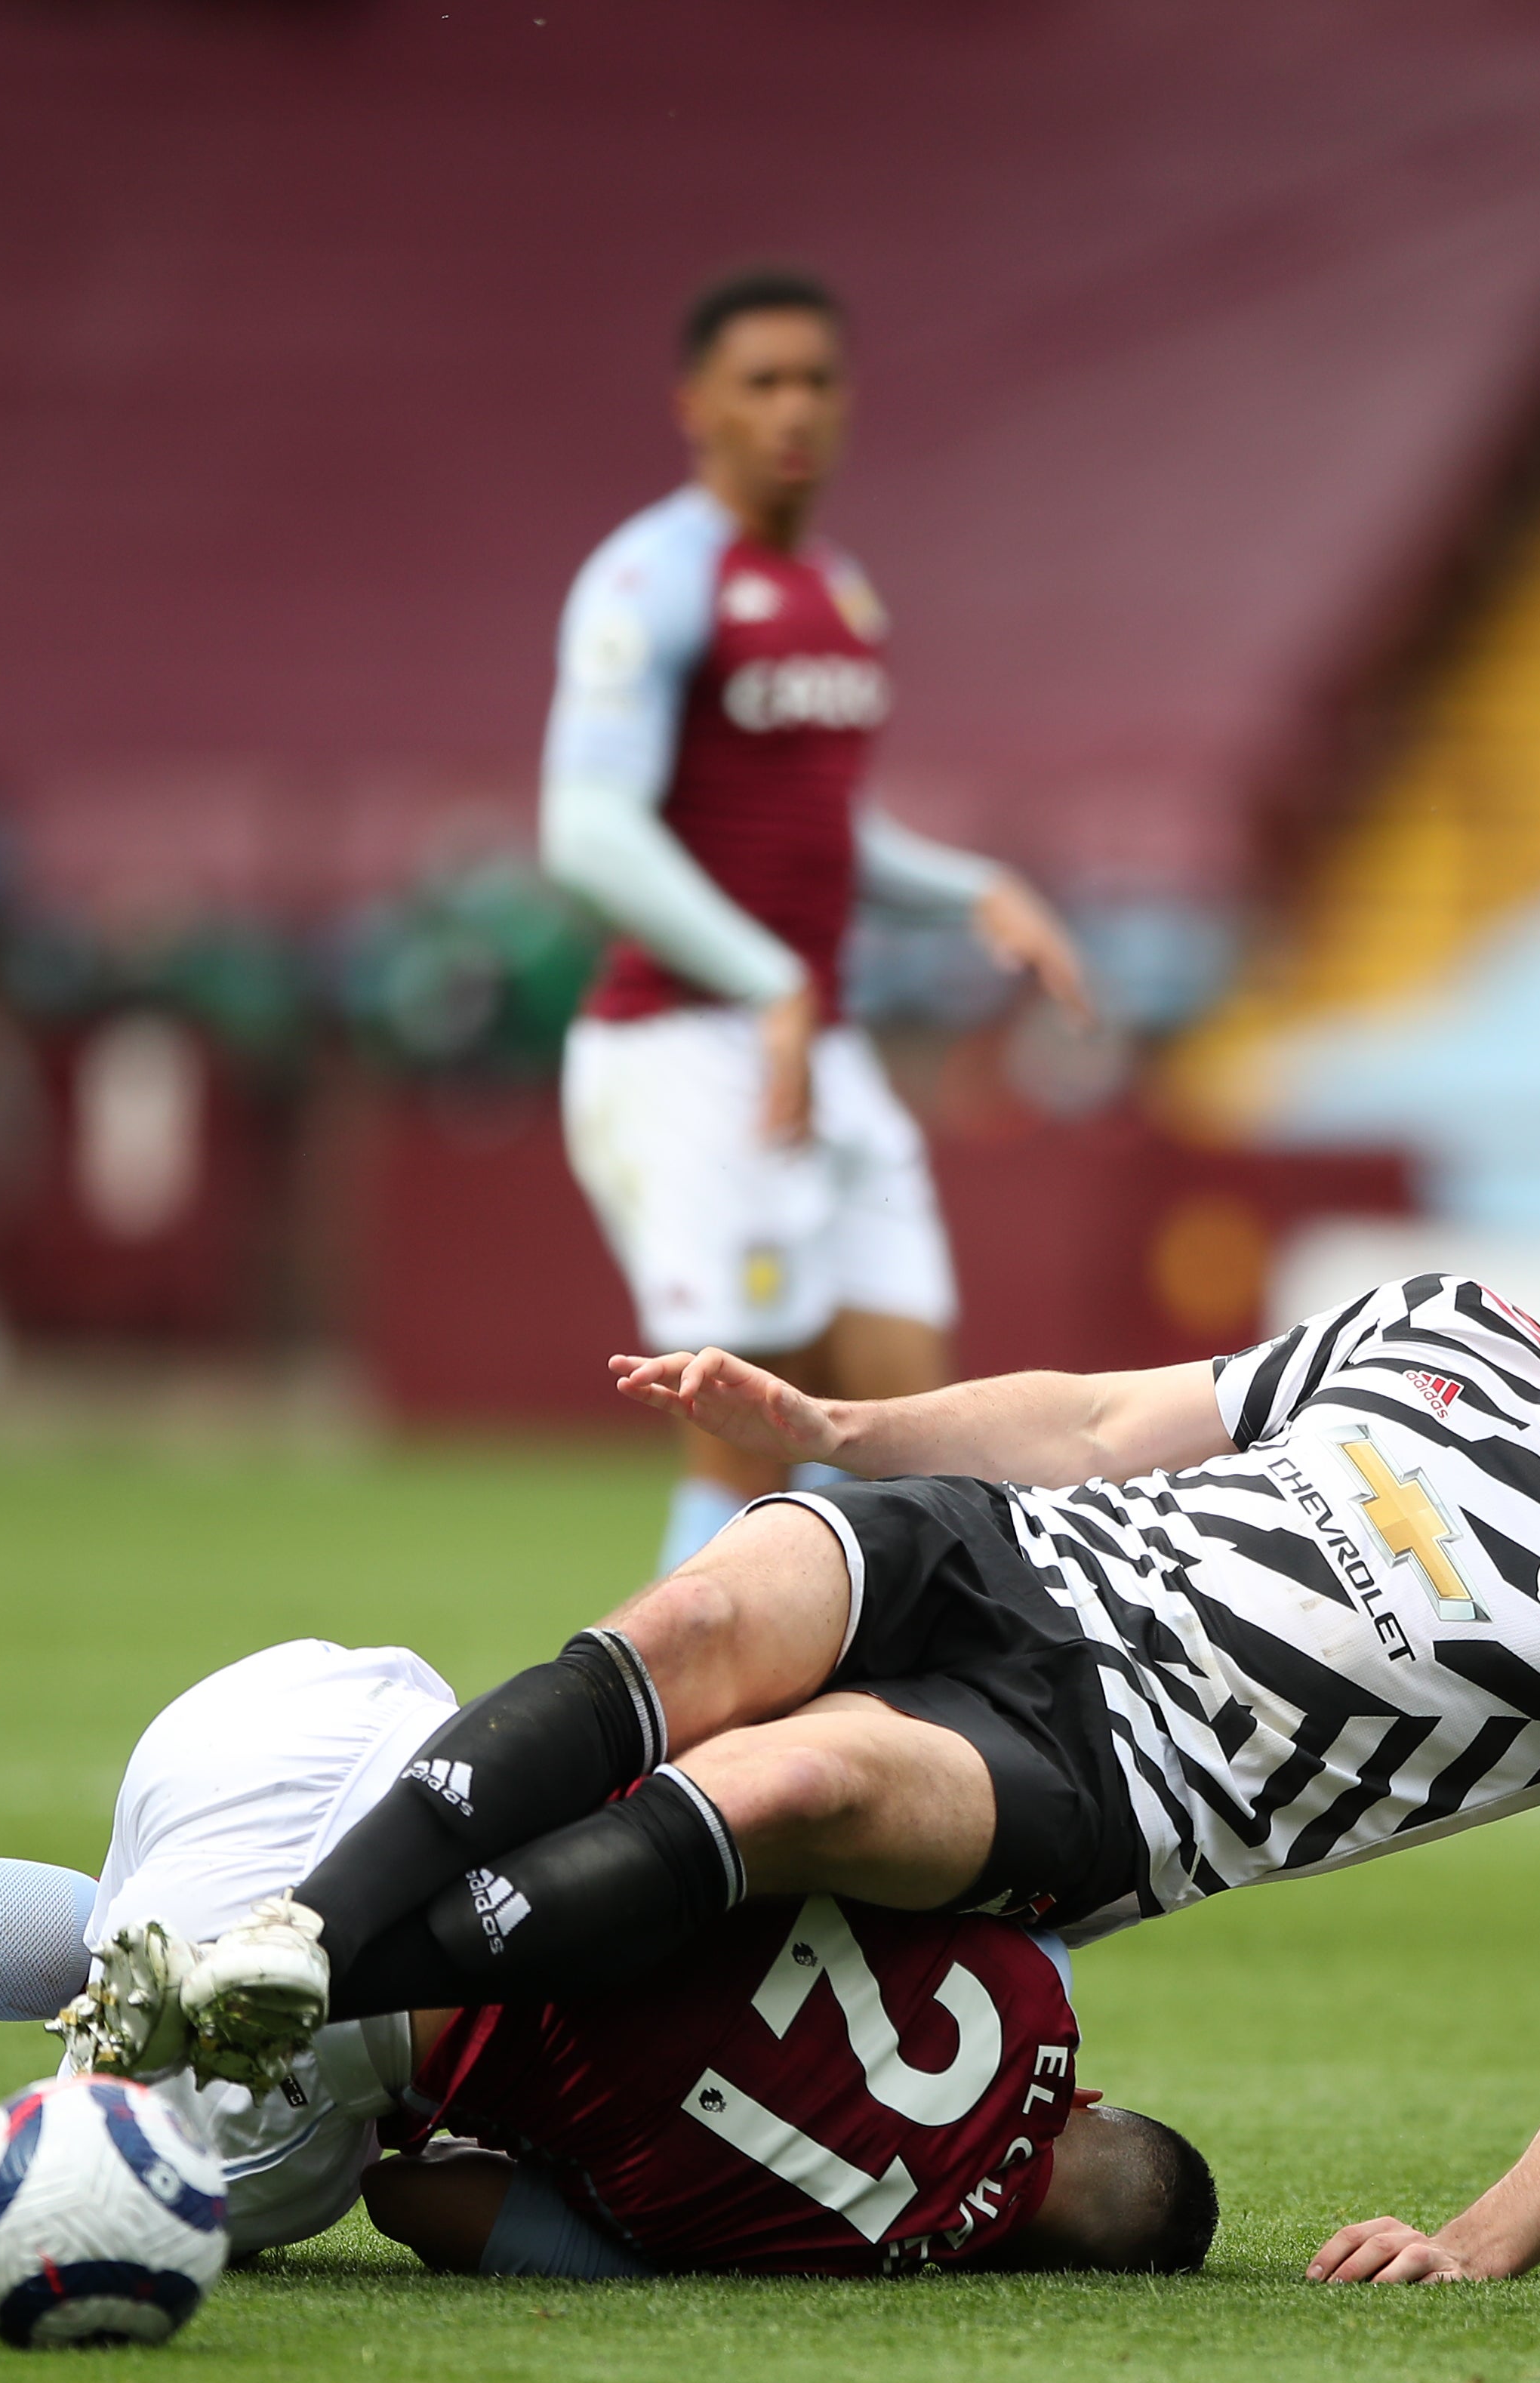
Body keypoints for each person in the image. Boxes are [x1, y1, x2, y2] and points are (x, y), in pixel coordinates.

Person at [174, 1112, 1540, 2286]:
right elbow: (1095, 1428)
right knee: (702, 1612)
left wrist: (1478, 2242)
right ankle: (270, 1955)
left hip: (1100, 1777)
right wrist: (840, 1436)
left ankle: (268, 2004)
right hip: (998, 1554)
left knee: (784, 1793)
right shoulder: (1441, 1321)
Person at [0, 1639, 1216, 2280]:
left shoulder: (1026, 1979)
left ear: (1102, 2100)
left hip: (344, 1728)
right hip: (352, 2012)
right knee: (70, 2190)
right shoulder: (849, 2244)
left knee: (136, 1942)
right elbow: (441, 2214)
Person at [542, 267, 1094, 1577]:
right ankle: (664, 1742)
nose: (794, 407)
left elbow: (814, 829)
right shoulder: (650, 576)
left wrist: (970, 889)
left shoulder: (838, 590)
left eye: (817, 380)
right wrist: (767, 980)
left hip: (812, 1046)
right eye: (761, 382)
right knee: (747, 1425)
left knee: (919, 1422)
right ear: (695, 406)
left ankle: (879, 1725)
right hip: (680, 1049)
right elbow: (587, 827)